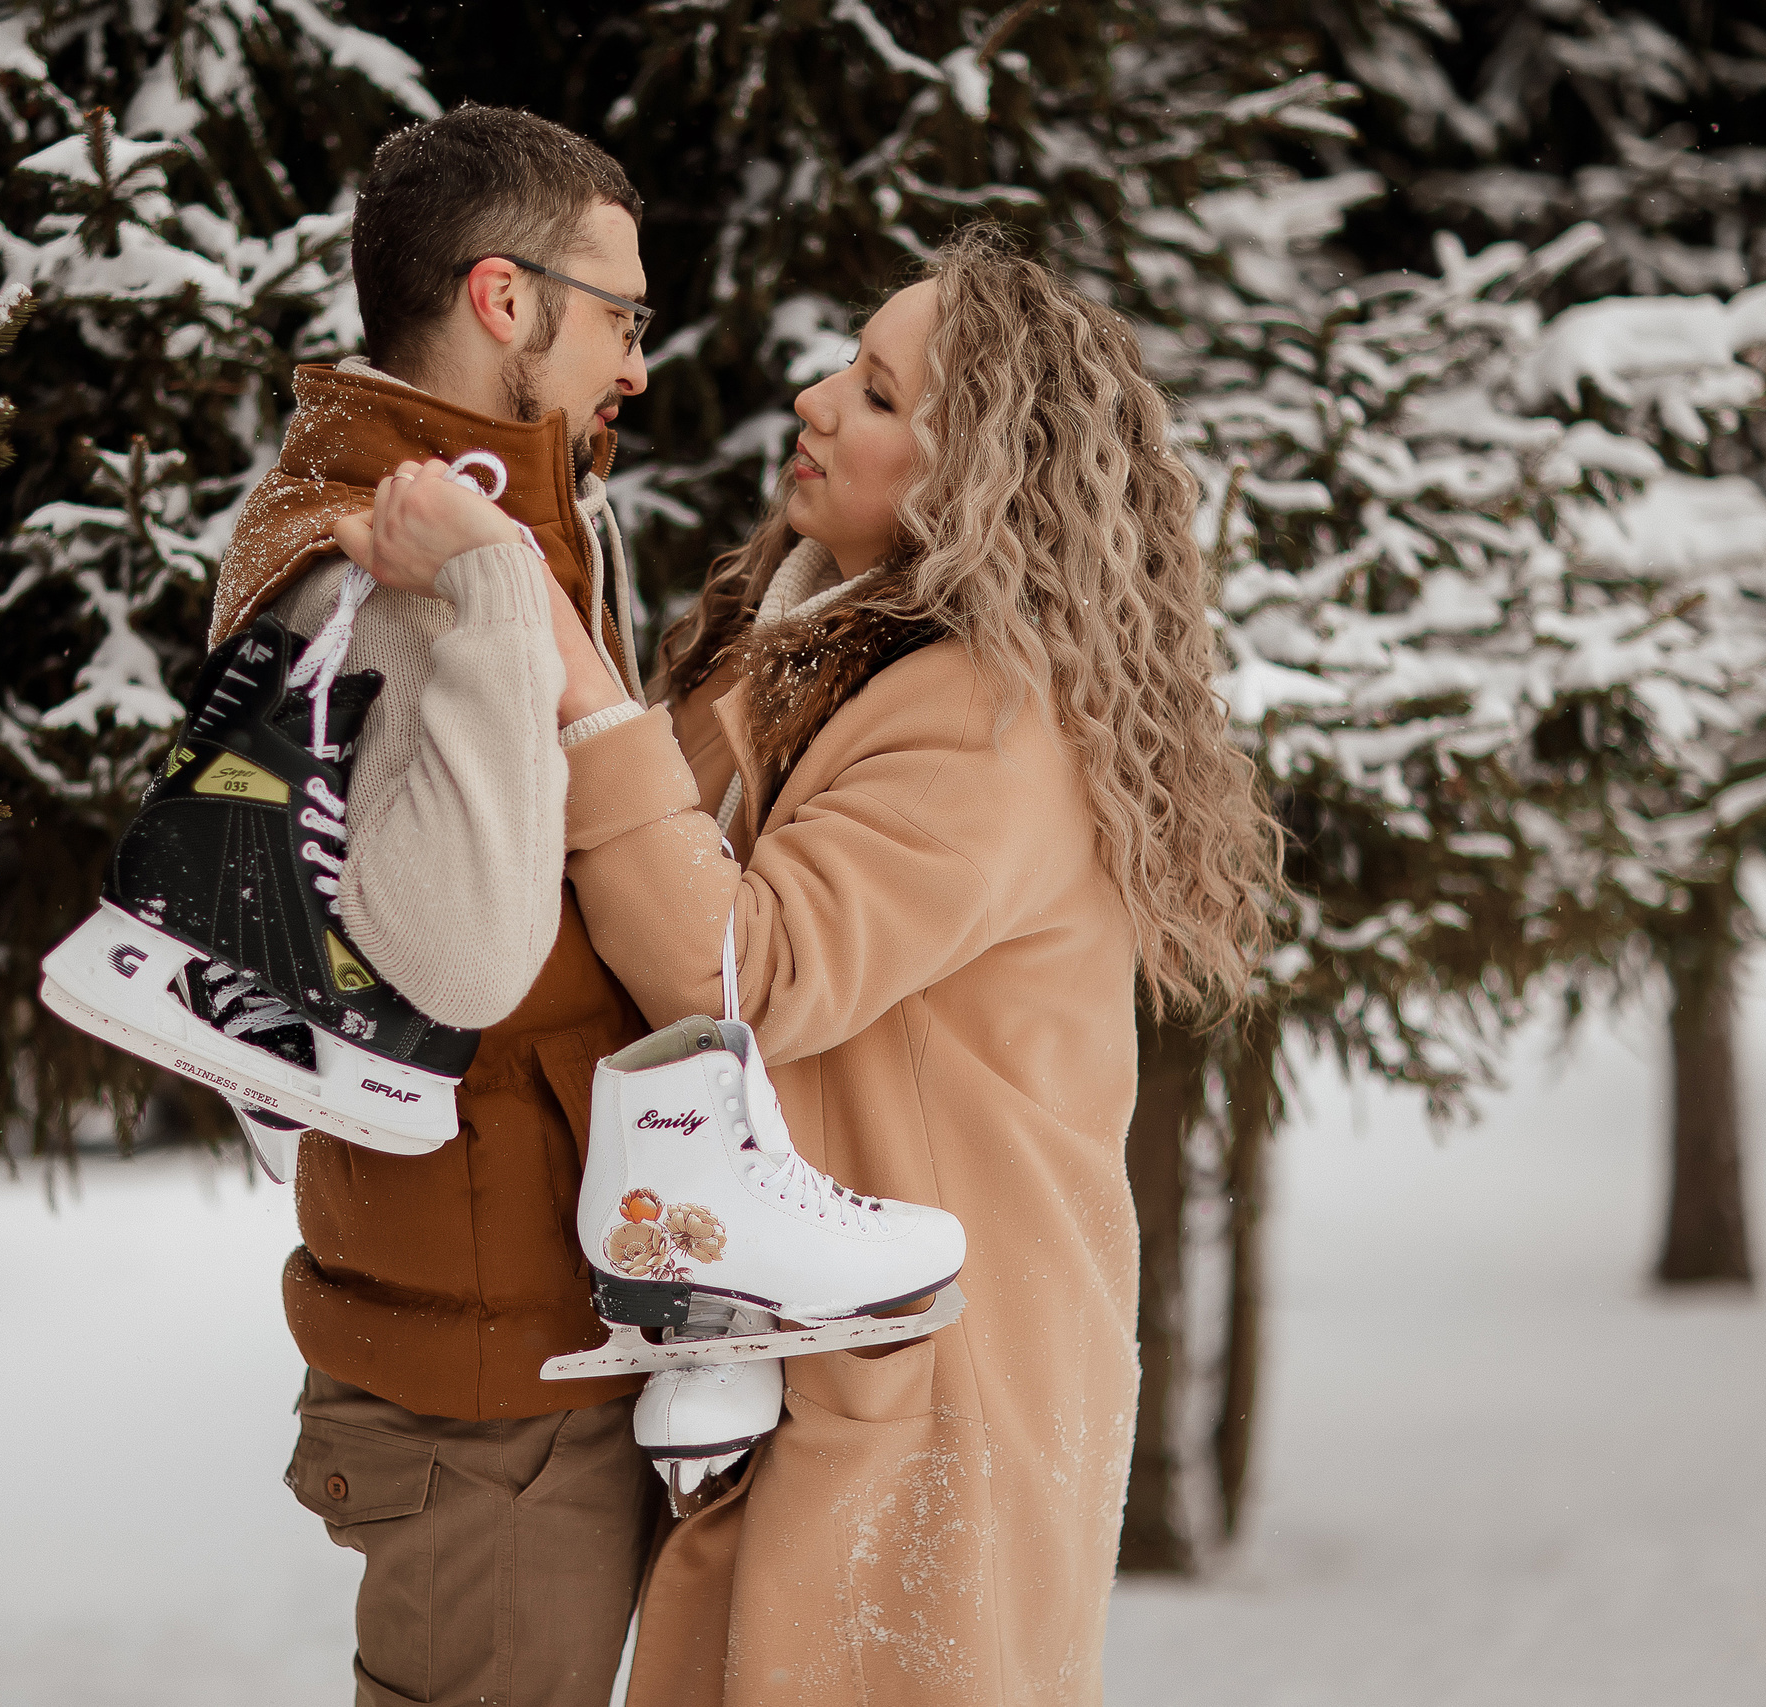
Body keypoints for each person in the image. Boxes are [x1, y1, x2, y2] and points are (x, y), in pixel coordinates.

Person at [350, 226, 1282, 1705]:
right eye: (847, 364)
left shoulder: (987, 718)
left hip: (939, 1392)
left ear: (982, 481)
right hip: (818, 1352)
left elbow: (747, 970)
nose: (815, 400)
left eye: (880, 392)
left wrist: (572, 675)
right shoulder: (792, 646)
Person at [203, 105, 665, 1707]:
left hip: (530, 1318)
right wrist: (487, 595)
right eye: (621, 313)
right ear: (503, 300)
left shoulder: (489, 503)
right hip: (492, 1395)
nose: (638, 365)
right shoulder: (383, 550)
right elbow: (460, 953)